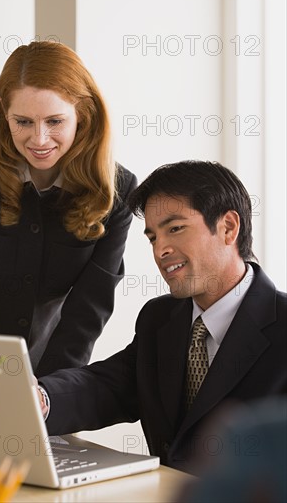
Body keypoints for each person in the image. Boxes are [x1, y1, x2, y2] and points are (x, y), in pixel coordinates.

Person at [37, 160, 287, 473]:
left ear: (228, 228)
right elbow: (112, 386)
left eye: (175, 228)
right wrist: (42, 398)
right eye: (153, 237)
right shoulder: (159, 318)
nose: (160, 250)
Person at [0, 41, 137, 376]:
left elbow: (86, 314)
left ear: (83, 114)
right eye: (23, 122)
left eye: (55, 121)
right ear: (3, 112)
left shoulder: (117, 191)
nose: (39, 139)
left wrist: (52, 395)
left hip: (35, 369)